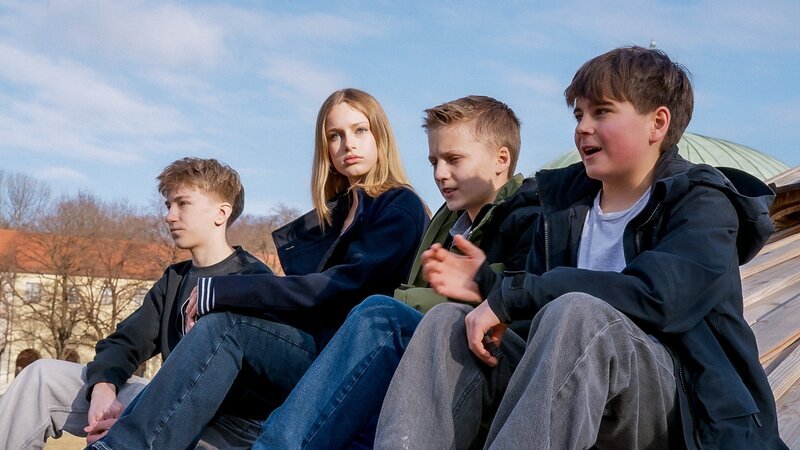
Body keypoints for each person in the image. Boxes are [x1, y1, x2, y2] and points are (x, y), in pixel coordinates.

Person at [376, 47, 787, 449]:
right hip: (576, 379)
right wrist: (489, 289)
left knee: (579, 312)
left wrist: (514, 295)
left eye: (601, 112)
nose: (582, 128)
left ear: (657, 123)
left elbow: (660, 297)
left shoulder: (703, 203)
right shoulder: (564, 205)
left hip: (681, 403)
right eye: (578, 115)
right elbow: (535, 319)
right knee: (447, 322)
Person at [87, 88, 429, 450]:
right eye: (335, 135)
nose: (348, 144)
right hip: (315, 353)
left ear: (381, 136)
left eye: (360, 131)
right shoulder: (338, 215)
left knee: (228, 325)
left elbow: (336, 287)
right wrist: (105, 381)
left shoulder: (399, 206)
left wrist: (219, 292)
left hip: (352, 363)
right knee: (224, 326)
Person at [253, 95, 538, 449]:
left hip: (489, 365)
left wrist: (477, 286)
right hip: (430, 355)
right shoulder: (445, 222)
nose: (439, 174)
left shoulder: (529, 215)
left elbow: (523, 310)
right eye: (434, 161)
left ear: (501, 159)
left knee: (381, 316)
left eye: (453, 160)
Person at [0, 157, 274, 450]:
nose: (169, 216)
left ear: (220, 213)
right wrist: (104, 387)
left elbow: (258, 390)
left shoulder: (254, 280)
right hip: (161, 400)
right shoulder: (174, 280)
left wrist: (148, 419)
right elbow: (126, 342)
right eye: (168, 205)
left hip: (223, 431)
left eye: (182, 204)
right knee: (42, 377)